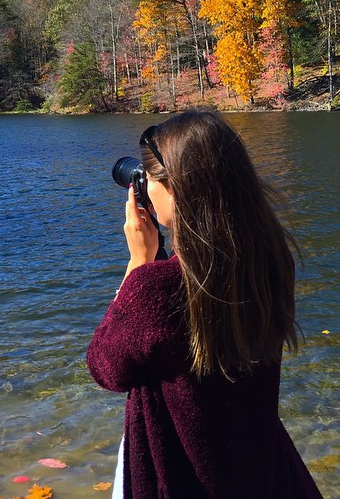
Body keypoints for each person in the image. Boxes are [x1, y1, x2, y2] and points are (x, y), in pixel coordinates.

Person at [87, 109, 322, 499]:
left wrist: (138, 263)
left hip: (178, 474)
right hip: (258, 466)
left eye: (151, 183)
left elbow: (106, 368)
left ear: (174, 190)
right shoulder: (274, 263)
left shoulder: (153, 287)